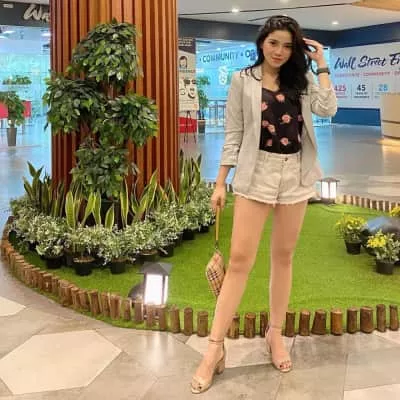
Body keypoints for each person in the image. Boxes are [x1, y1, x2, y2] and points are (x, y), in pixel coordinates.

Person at [191, 15, 337, 394]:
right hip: (256, 174)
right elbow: (234, 134)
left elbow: (328, 109)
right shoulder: (243, 80)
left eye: (288, 45)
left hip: (296, 174)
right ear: (261, 43)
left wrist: (321, 64)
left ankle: (276, 333)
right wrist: (220, 182)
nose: (279, 51)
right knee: (240, 261)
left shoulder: (301, 80)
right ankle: (214, 347)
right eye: (274, 43)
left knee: (283, 258)